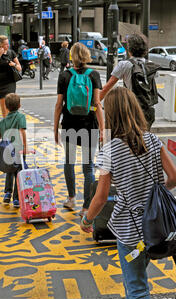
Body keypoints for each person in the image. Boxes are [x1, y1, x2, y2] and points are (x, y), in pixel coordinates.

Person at [80, 86, 176, 299]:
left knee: (136, 288)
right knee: (139, 281)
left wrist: (87, 220)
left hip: (129, 229)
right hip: (156, 226)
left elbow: (101, 196)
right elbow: (174, 178)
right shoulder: (153, 141)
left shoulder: (109, 150)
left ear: (111, 115)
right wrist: (155, 195)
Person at [54, 42, 104, 217]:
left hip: (69, 125)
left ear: (72, 56)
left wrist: (55, 129)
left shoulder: (65, 76)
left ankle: (71, 198)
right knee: (88, 167)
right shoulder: (94, 75)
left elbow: (59, 105)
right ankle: (86, 207)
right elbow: (97, 104)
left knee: (69, 162)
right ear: (87, 56)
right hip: (90, 125)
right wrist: (103, 129)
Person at [100, 32, 159, 129]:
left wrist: (95, 103)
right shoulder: (151, 65)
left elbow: (107, 87)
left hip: (131, 110)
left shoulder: (124, 65)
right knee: (145, 138)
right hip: (148, 110)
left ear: (129, 49)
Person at [0, 93, 27, 208]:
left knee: (9, 171)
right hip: (18, 150)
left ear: (7, 107)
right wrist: (25, 147)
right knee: (18, 173)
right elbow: (22, 132)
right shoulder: (20, 117)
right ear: (19, 105)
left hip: (6, 151)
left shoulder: (3, 122)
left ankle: (7, 193)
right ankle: (16, 199)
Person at [0, 35, 21, 118]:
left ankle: (11, 126)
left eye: (8, 44)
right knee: (4, 110)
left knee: (10, 108)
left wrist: (14, 64)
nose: (8, 45)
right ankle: (7, 127)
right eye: (6, 44)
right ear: (0, 45)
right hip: (0, 84)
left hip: (10, 82)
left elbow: (19, 68)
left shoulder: (11, 53)